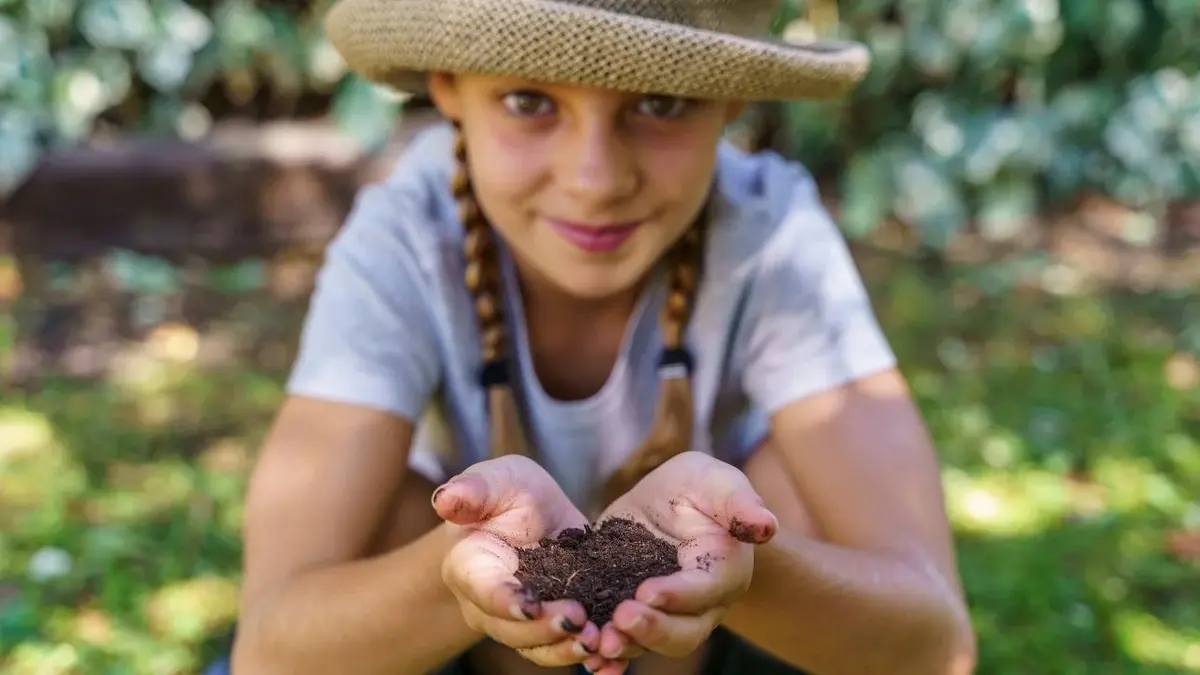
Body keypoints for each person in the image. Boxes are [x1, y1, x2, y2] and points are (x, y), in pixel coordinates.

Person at [227, 0, 977, 674]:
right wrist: (459, 565)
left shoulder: (770, 235)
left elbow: (935, 647)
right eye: (528, 101)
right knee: (389, 511)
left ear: (732, 102)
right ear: (448, 87)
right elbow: (268, 650)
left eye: (662, 101)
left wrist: (744, 564)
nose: (594, 178)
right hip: (455, 648)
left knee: (790, 486)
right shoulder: (408, 237)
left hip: (715, 647)